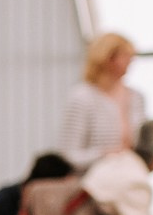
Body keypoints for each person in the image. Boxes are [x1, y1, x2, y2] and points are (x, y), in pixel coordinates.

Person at [58, 32, 146, 172]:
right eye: (125, 56)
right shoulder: (82, 97)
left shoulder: (136, 97)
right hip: (92, 183)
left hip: (128, 179)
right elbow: (68, 155)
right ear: (107, 58)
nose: (130, 60)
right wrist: (105, 155)